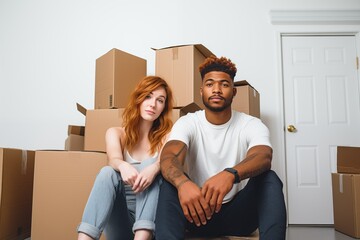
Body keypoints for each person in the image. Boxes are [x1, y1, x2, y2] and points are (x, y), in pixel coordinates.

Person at [155, 56, 287, 240]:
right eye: (210, 84)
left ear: (234, 92)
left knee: (270, 178)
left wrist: (230, 174)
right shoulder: (188, 122)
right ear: (201, 91)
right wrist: (183, 183)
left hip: (238, 216)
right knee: (168, 180)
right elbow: (169, 157)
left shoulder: (250, 124)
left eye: (224, 84)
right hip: (195, 214)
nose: (216, 89)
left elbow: (264, 156)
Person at [77, 76, 174, 240]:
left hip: (153, 227)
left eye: (160, 100)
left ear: (164, 107)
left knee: (153, 164)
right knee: (107, 172)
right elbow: (113, 159)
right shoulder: (116, 133)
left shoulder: (168, 136)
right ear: (138, 98)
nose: (152, 104)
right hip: (121, 225)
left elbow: (166, 161)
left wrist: (154, 168)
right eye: (148, 96)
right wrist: (122, 165)